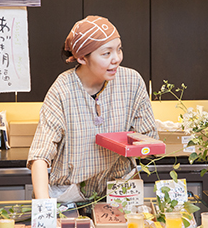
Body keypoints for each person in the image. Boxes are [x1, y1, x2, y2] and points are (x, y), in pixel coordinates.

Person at [27, 15, 159, 202]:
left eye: (119, 49)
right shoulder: (62, 90)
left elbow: (149, 142)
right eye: (106, 53)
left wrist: (143, 145)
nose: (116, 59)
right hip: (70, 196)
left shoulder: (132, 81)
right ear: (82, 58)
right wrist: (44, 208)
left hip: (118, 194)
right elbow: (40, 155)